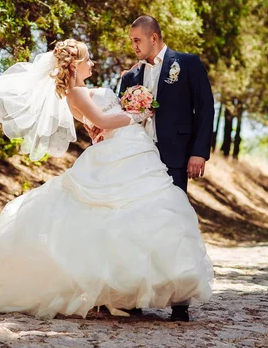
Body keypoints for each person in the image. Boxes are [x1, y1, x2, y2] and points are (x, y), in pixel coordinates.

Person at [0, 39, 214, 322]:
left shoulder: (81, 91)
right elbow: (103, 121)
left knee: (137, 216)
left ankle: (137, 290)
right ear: (74, 64)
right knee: (122, 217)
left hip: (128, 152)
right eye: (88, 60)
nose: (92, 64)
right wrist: (136, 115)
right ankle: (126, 289)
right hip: (122, 151)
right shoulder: (75, 92)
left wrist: (111, 121)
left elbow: (95, 126)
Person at [89, 16, 215, 321]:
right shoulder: (129, 77)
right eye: (131, 41)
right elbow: (120, 116)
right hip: (138, 158)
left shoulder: (186, 64)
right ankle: (133, 297)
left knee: (174, 225)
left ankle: (180, 301)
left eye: (137, 40)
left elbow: (206, 107)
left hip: (174, 157)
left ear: (154, 38)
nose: (133, 46)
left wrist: (199, 153)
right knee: (135, 225)